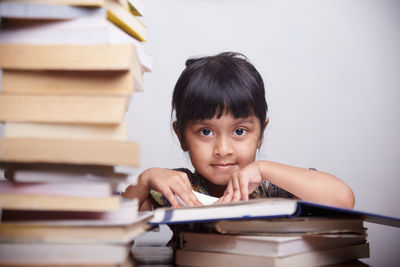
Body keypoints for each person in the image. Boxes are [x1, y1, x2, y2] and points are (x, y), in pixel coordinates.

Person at [122, 52, 355, 212]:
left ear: (261, 133)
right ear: (181, 135)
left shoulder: (274, 186)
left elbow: (343, 199)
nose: (223, 150)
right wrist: (145, 181)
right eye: (205, 132)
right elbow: (113, 227)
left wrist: (263, 169)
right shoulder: (178, 189)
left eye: (240, 131)